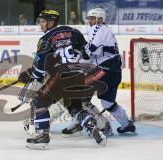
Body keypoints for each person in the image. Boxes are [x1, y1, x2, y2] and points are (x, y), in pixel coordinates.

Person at [18, 10, 107, 149]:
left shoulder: (45, 39)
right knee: (74, 108)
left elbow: (40, 69)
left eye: (42, 21)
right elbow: (85, 52)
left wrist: (32, 74)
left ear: (51, 22)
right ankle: (94, 130)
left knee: (39, 100)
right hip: (78, 74)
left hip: (60, 75)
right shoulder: (73, 31)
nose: (40, 24)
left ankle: (42, 137)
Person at [62, 7, 136, 136]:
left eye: (92, 18)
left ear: (100, 19)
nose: (90, 21)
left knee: (80, 97)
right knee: (108, 103)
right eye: (89, 18)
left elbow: (89, 52)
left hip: (104, 72)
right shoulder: (106, 30)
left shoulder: (98, 28)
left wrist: (73, 59)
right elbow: (93, 55)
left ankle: (101, 126)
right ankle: (127, 125)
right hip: (113, 72)